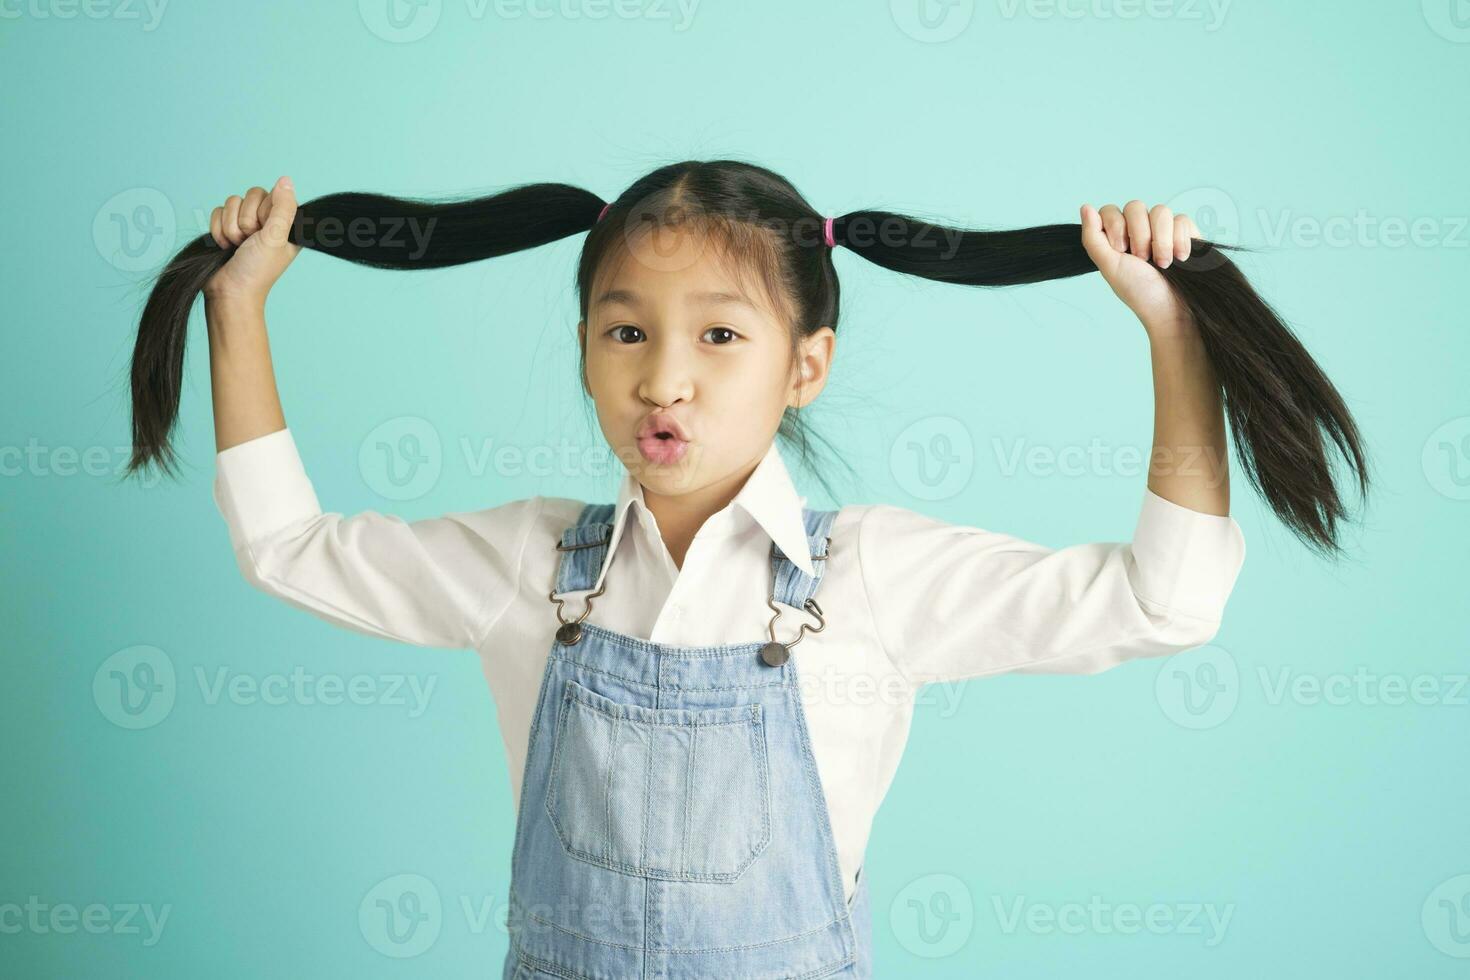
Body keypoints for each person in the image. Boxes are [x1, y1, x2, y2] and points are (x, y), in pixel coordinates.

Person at [134, 161, 1369, 978]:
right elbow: (289, 547)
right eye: (627, 330)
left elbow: (1170, 597)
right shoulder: (528, 561)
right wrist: (235, 310)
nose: (664, 378)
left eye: (721, 335)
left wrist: (1173, 330)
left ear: (805, 364)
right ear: (583, 349)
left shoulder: (873, 574)